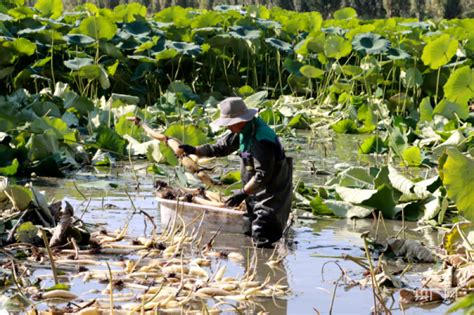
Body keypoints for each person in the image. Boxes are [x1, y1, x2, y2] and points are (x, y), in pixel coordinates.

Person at [178, 97, 293, 248]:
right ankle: (251, 267)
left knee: (263, 233)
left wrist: (243, 192)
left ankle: (267, 268)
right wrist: (194, 150)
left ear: (240, 120)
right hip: (254, 191)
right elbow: (220, 148)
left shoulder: (261, 139)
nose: (227, 127)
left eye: (229, 124)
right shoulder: (245, 130)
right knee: (248, 229)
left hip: (271, 192)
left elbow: (263, 175)